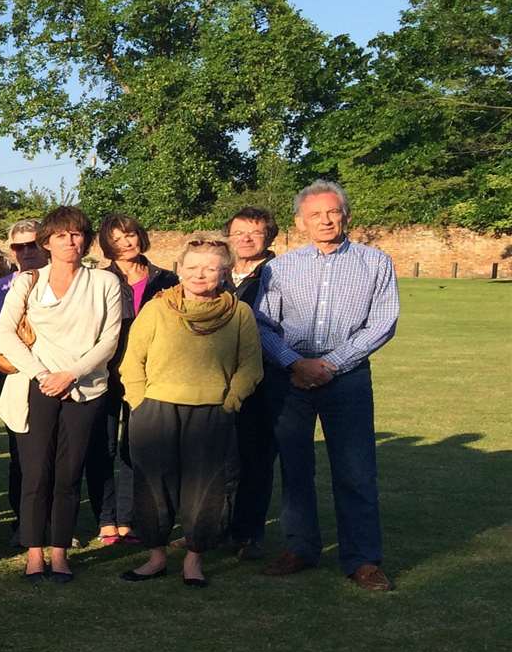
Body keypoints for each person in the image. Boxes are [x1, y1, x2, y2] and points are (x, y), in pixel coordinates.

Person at [255, 181, 400, 591]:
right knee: (295, 467)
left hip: (348, 377)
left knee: (355, 470)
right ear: (301, 222)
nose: (325, 220)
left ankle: (363, 559)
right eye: (315, 214)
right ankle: (300, 548)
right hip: (291, 378)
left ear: (346, 215)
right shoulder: (279, 268)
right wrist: (294, 363)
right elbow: (263, 324)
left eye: (332, 212)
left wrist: (332, 364)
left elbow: (383, 323)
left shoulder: (376, 263)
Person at [119, 238, 262, 588]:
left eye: (211, 268)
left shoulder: (239, 313)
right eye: (193, 267)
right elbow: (132, 361)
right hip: (156, 410)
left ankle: (194, 560)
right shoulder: (156, 309)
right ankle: (155, 558)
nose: (201, 274)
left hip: (213, 411)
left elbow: (251, 365)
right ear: (179, 269)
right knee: (153, 486)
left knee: (207, 490)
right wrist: (140, 401)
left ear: (225, 273)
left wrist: (231, 401)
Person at [0, 207, 125, 585]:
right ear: (46, 242)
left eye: (77, 234)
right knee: (36, 474)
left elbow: (110, 339)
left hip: (84, 388)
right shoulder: (28, 281)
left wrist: (72, 373)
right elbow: (5, 336)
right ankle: (34, 554)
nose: (71, 241)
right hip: (36, 387)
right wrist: (43, 374)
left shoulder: (104, 283)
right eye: (62, 235)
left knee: (68, 475)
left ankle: (60, 552)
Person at [86, 214, 178, 545]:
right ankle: (106, 519)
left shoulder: (166, 279)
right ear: (107, 244)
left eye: (131, 235)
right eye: (118, 238)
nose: (126, 243)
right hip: (105, 374)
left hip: (151, 376)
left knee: (137, 449)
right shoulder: (96, 280)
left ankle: (131, 518)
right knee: (104, 447)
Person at [0, 218, 47, 536]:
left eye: (32, 244)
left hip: (60, 374)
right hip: (13, 374)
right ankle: (22, 520)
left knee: (56, 453)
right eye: (19, 246)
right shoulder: (0, 288)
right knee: (19, 451)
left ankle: (53, 521)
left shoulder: (68, 284)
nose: (26, 251)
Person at [225, 206, 280, 558]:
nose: (245, 238)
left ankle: (248, 533)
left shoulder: (278, 274)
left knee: (255, 459)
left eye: (255, 232)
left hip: (262, 380)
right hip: (212, 379)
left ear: (269, 237)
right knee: (214, 459)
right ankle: (210, 528)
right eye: (239, 232)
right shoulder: (215, 272)